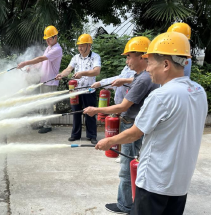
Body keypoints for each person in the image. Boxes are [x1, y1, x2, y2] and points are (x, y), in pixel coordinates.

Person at [94, 32, 207, 215]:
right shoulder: (198, 91)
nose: (147, 69)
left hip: (155, 182)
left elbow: (135, 133)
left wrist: (108, 141)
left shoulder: (162, 96)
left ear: (165, 64)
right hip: (181, 182)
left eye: (150, 63)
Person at [84, 36, 159, 214]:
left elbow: (124, 106)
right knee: (136, 163)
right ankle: (134, 202)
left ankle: (125, 205)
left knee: (126, 167)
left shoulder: (143, 79)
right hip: (137, 124)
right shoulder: (143, 76)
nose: (127, 61)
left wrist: (96, 109)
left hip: (132, 125)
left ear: (142, 57)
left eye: (129, 56)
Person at [17, 25, 63, 134]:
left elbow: (42, 58)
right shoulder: (49, 48)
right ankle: (41, 123)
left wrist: (25, 62)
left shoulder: (57, 49)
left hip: (51, 81)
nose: (47, 40)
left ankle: (47, 125)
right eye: (46, 38)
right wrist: (31, 68)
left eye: (49, 38)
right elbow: (42, 62)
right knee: (42, 102)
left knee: (47, 104)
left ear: (55, 37)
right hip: (44, 80)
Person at [55, 34, 100, 144]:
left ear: (89, 45)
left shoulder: (95, 57)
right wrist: (61, 74)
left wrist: (82, 73)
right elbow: (69, 69)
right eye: (78, 46)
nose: (80, 48)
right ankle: (75, 134)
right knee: (76, 112)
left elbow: (96, 71)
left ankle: (92, 135)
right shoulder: (75, 57)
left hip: (89, 90)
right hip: (76, 91)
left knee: (90, 113)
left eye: (82, 45)